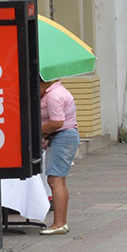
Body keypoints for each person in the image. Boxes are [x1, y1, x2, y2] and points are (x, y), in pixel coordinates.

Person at [39, 76, 80, 235]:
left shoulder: (54, 96)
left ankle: (59, 223)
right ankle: (60, 222)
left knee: (56, 180)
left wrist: (37, 129)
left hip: (63, 137)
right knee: (57, 179)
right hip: (63, 137)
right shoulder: (54, 91)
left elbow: (57, 122)